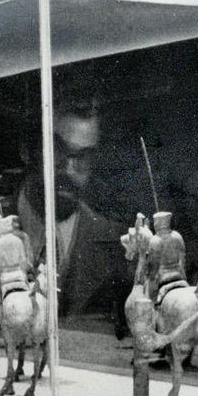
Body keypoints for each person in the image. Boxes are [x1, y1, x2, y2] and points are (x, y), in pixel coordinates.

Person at [19, 101, 128, 340]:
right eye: (56, 151)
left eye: (84, 157)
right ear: (27, 150)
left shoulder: (119, 244)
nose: (69, 169)